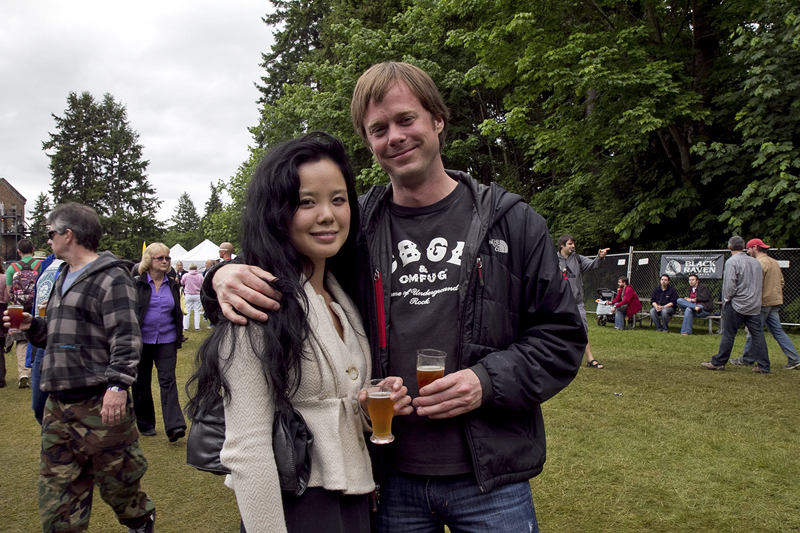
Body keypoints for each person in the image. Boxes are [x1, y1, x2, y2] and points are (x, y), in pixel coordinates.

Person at [202, 62, 585, 532]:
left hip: (491, 476)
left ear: (437, 120)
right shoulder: (356, 229)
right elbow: (283, 263)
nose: (396, 137)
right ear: (369, 142)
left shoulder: (512, 222)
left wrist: (486, 381)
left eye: (406, 119)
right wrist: (219, 276)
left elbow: (561, 337)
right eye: (379, 129)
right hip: (389, 475)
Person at [187, 132, 411, 533]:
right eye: (307, 202)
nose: (327, 215)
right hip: (299, 505)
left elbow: (330, 405)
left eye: (338, 199)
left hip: (356, 501)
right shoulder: (258, 302)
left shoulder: (341, 296)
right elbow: (247, 450)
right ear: (276, 212)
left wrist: (367, 407)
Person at [5, 202, 156, 533]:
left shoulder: (112, 278)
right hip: (58, 406)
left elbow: (127, 338)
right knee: (57, 501)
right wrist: (33, 326)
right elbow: (59, 335)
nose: (48, 240)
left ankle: (141, 522)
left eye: (51, 233)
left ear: (68, 235)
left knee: (121, 489)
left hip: (99, 404)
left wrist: (117, 386)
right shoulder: (62, 274)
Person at [132, 243, 186, 441]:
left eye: (167, 258)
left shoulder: (173, 284)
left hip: (166, 340)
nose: (165, 261)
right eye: (160, 258)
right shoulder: (136, 283)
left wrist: (179, 335)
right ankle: (145, 423)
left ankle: (175, 426)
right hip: (141, 341)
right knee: (141, 382)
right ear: (149, 260)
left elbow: (177, 312)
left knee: (168, 380)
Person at [701, 236, 769, 373]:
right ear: (743, 247)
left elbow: (730, 284)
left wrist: (727, 299)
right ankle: (764, 366)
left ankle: (719, 362)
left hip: (737, 304)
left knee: (728, 334)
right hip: (754, 305)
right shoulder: (756, 262)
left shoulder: (732, 262)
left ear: (729, 247)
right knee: (758, 335)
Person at [731, 238, 800, 370]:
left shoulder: (758, 263)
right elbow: (781, 281)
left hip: (762, 302)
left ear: (755, 248)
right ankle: (794, 358)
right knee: (777, 331)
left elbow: (755, 283)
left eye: (748, 249)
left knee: (754, 331)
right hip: (775, 301)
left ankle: (747, 359)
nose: (747, 252)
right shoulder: (773, 262)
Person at [557, 234, 609, 368]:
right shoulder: (552, 260)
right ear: (562, 245)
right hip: (559, 303)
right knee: (558, 330)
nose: (573, 246)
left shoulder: (578, 259)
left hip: (576, 302)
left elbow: (593, 264)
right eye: (570, 244)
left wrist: (600, 257)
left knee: (583, 329)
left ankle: (590, 360)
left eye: (573, 243)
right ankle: (559, 359)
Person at [27, 253, 64, 424]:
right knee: (38, 404)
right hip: (42, 339)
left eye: (52, 238)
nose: (49, 241)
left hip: (66, 341)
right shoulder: (47, 263)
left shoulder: (81, 267)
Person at [5, 238, 42, 388]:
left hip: (17, 308)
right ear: (33, 250)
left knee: (20, 341)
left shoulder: (12, 268)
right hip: (37, 306)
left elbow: (9, 292)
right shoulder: (40, 265)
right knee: (39, 336)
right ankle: (37, 370)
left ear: (18, 251)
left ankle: (23, 373)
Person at [181, 263, 204, 331]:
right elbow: (203, 284)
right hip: (197, 294)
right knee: (197, 311)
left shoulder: (186, 275)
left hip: (188, 294)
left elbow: (182, 282)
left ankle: (185, 327)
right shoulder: (200, 276)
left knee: (187, 311)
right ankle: (197, 327)